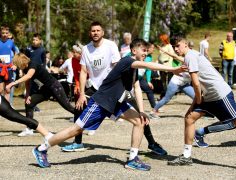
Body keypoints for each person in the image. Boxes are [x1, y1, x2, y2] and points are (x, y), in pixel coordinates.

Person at [32, 38, 186, 170]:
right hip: (101, 102)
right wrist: (173, 69)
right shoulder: (127, 61)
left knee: (139, 121)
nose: (145, 53)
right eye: (143, 50)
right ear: (133, 50)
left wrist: (141, 110)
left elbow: (137, 88)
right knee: (75, 130)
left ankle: (133, 159)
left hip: (115, 103)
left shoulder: (133, 69)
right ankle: (41, 149)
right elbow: (148, 66)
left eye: (147, 51)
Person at [62, 22, 168, 156]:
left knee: (139, 114)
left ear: (103, 32)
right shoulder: (86, 49)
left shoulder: (110, 45)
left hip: (114, 88)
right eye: (93, 31)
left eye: (98, 30)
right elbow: (83, 72)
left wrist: (129, 86)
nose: (95, 33)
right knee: (79, 107)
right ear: (90, 33)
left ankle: (152, 143)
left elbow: (120, 66)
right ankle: (78, 142)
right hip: (96, 88)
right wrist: (82, 93)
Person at [167, 37, 236, 166]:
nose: (176, 49)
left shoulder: (190, 56)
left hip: (219, 94)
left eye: (178, 46)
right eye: (174, 47)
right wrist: (194, 104)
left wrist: (199, 100)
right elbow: (199, 84)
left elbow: (195, 83)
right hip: (208, 96)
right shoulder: (190, 56)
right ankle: (186, 156)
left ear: (185, 44)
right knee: (189, 118)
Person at [6, 53, 80, 135]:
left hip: (55, 87)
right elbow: (28, 82)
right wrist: (27, 95)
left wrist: (13, 83)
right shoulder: (25, 68)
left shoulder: (32, 64)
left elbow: (29, 76)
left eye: (17, 64)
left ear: (21, 62)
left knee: (68, 107)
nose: (17, 66)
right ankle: (29, 128)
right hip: (45, 89)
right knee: (29, 103)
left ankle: (88, 120)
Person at [149, 43, 195, 118]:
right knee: (167, 99)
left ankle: (200, 112)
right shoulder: (186, 60)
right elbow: (174, 56)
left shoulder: (197, 64)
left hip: (184, 84)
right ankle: (153, 112)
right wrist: (163, 50)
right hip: (175, 82)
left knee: (196, 97)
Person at [0, 26, 17, 102]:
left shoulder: (11, 42)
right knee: (0, 90)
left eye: (6, 33)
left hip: (9, 68)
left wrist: (14, 64)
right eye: (3, 33)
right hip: (0, 69)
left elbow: (15, 52)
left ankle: (7, 108)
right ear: (0, 33)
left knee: (8, 89)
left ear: (8, 33)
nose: (4, 34)